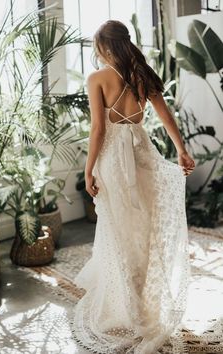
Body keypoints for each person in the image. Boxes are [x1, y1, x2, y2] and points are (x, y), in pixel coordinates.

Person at [71, 20, 195, 354]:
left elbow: (98, 129)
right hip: (143, 157)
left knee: (120, 231)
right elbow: (166, 117)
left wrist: (88, 171)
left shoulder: (97, 78)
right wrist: (182, 150)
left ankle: (134, 308)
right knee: (142, 231)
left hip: (112, 162)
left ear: (104, 46)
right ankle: (141, 305)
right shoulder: (143, 75)